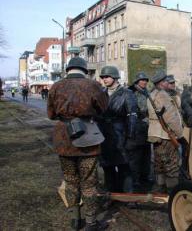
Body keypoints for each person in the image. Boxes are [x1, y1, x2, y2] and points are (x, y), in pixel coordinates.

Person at [47, 57, 108, 231]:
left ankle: (74, 220)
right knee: (89, 182)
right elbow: (103, 109)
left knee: (70, 180)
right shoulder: (93, 85)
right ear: (84, 69)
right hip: (88, 137)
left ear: (68, 69)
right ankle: (91, 223)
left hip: (64, 138)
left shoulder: (56, 86)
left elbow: (51, 115)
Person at [97, 66, 137, 193]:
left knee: (124, 167)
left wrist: (130, 137)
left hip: (121, 134)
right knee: (108, 167)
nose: (104, 79)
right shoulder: (101, 94)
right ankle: (112, 194)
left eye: (107, 77)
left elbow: (132, 116)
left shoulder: (127, 93)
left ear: (115, 77)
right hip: (104, 135)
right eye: (103, 77)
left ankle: (128, 195)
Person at [147, 70, 183, 192]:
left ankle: (159, 187)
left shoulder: (153, 94)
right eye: (166, 81)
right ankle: (173, 191)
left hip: (155, 134)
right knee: (171, 164)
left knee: (159, 163)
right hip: (166, 135)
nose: (169, 83)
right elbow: (171, 117)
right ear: (161, 83)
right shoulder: (162, 95)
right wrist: (180, 134)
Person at [128, 72, 153, 191]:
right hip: (137, 128)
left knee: (146, 155)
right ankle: (136, 181)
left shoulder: (146, 92)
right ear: (137, 82)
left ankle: (145, 178)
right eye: (142, 80)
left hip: (146, 128)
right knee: (136, 157)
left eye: (145, 80)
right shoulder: (132, 93)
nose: (144, 82)